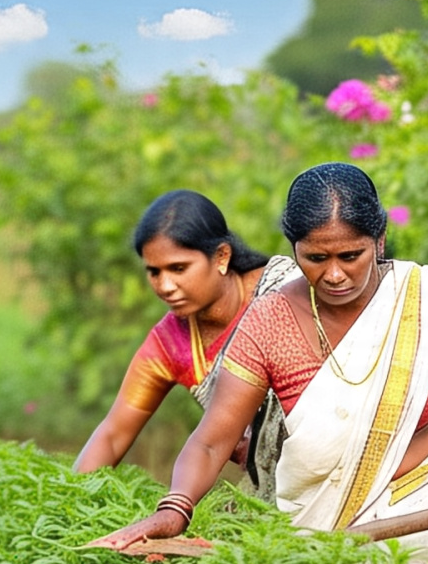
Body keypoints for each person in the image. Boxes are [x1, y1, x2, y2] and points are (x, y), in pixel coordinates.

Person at [94, 163, 428, 564]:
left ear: (379, 240)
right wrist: (175, 509)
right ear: (293, 251)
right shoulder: (269, 322)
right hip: (323, 535)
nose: (334, 275)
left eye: (351, 256)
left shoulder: (425, 299)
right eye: (315, 259)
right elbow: (213, 440)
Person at [73, 190, 298, 498]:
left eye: (178, 268)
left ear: (221, 257)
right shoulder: (171, 344)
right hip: (274, 494)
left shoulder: (288, 292)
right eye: (154, 272)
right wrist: (70, 503)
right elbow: (113, 434)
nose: (165, 286)